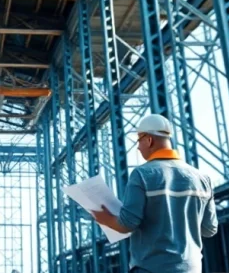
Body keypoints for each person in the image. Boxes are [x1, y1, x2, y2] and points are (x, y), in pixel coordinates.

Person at [88, 114, 218, 273]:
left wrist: (105, 219)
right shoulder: (203, 179)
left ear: (149, 140)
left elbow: (127, 223)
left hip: (150, 268)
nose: (138, 147)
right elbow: (209, 229)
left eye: (139, 140)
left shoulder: (142, 174)